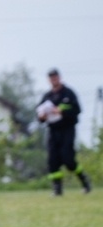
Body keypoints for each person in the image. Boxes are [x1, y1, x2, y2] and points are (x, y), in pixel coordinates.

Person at [36, 68, 91, 196]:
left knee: (68, 159)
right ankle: (57, 189)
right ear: (48, 80)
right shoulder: (47, 96)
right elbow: (38, 115)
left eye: (55, 77)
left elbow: (77, 110)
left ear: (59, 77)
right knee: (52, 160)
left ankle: (84, 180)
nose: (53, 79)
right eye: (51, 78)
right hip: (52, 131)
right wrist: (42, 116)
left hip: (67, 130)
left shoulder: (68, 93)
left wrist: (61, 112)